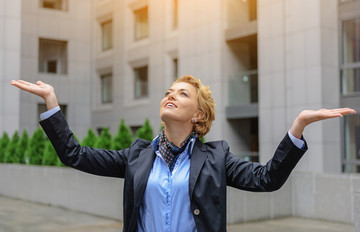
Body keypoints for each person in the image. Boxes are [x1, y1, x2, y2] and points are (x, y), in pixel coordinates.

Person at [10, 76, 356, 232]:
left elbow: (267, 179)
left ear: (198, 115)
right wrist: (52, 104)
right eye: (168, 92)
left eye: (182, 94)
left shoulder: (216, 158)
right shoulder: (137, 154)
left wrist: (298, 126)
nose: (170, 95)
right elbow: (75, 155)